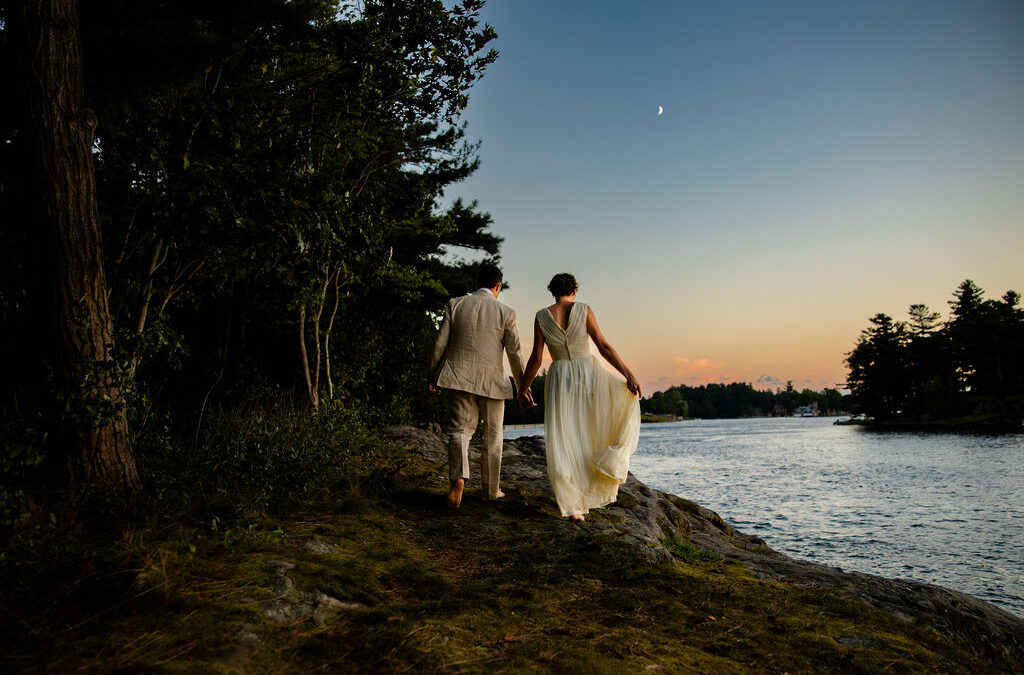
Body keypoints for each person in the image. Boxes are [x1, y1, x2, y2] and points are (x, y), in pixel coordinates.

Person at [518, 273, 641, 522]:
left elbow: (536, 358)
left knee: (564, 436)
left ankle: (573, 506)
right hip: (586, 374)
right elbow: (604, 347)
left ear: (552, 291)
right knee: (588, 430)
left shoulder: (542, 316)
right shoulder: (584, 310)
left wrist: (523, 389)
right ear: (574, 291)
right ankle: (586, 493)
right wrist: (628, 374)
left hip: (560, 377)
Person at [429, 264, 530, 509]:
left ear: (477, 283)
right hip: (492, 382)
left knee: (459, 432)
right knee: (493, 438)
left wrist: (432, 375)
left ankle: (459, 479)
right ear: (498, 287)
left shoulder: (456, 304)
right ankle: (491, 491)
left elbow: (439, 345)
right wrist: (523, 387)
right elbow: (515, 353)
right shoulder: (506, 312)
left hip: (458, 376)